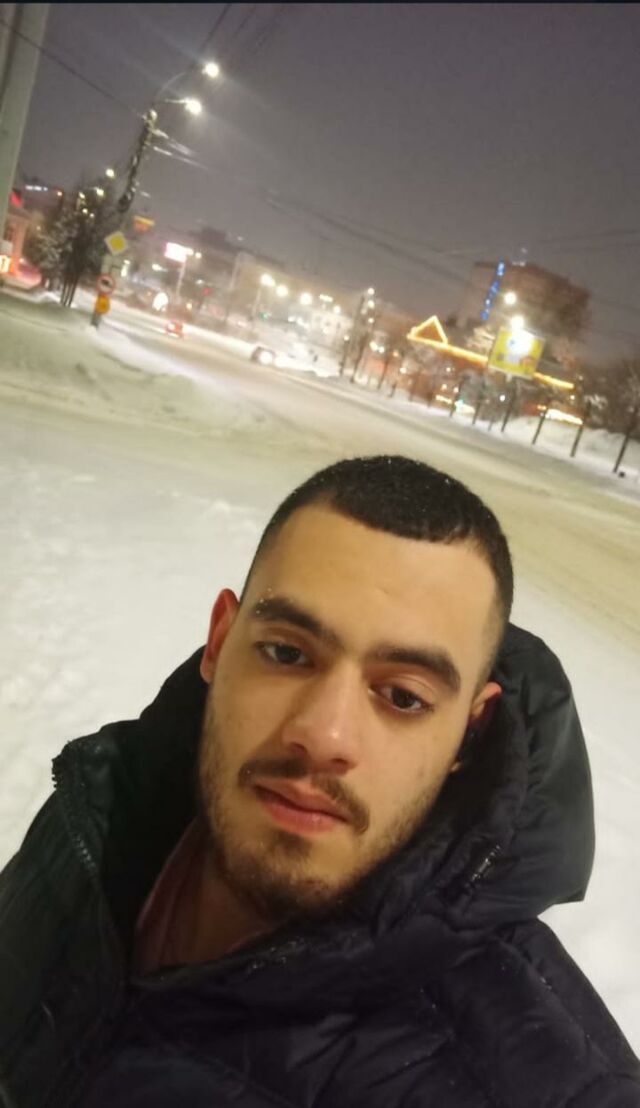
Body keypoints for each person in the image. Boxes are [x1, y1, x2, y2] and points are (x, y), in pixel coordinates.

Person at [1, 455, 638, 1108]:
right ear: (219, 642)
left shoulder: (527, 1085)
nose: (325, 735)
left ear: (470, 733)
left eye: (403, 696)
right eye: (287, 653)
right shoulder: (99, 812)